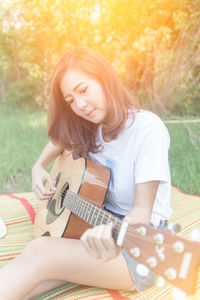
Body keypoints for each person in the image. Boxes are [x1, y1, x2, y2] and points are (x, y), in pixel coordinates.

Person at [0, 47, 172, 299]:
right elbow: (59, 142)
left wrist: (112, 234)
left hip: (142, 247)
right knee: (32, 276)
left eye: (83, 90)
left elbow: (141, 214)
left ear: (105, 79)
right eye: (70, 100)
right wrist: (38, 167)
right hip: (97, 227)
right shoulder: (93, 126)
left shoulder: (148, 130)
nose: (80, 105)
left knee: (40, 251)